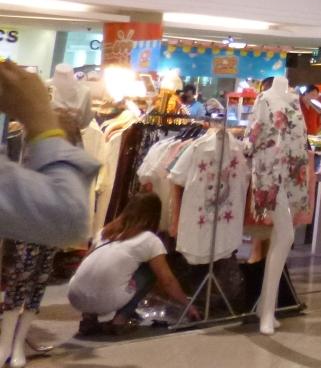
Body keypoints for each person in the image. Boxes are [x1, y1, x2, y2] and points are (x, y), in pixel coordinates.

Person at [0, 61, 99, 246]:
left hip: (57, 150)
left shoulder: (84, 91)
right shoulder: (42, 87)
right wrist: (41, 119)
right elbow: (67, 215)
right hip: (52, 150)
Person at [69, 193, 191, 336]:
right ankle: (120, 320)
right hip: (106, 299)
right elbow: (167, 281)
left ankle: (88, 319)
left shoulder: (105, 232)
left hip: (75, 295)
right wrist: (188, 305)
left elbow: (85, 262)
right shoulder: (149, 240)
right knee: (149, 271)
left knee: (98, 269)